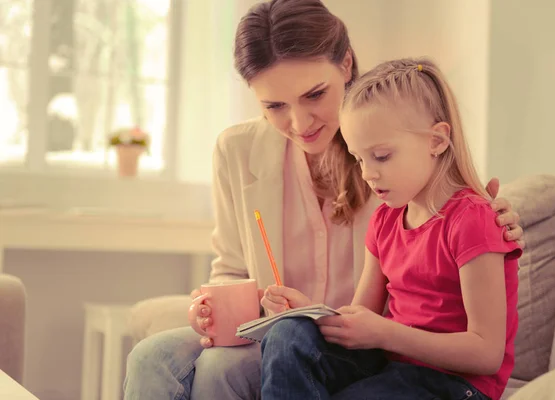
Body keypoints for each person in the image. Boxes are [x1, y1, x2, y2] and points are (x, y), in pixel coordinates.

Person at [123, 1, 523, 399]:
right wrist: (216, 309)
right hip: (292, 330)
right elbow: (232, 269)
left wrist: (500, 219)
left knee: (219, 368)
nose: (299, 124)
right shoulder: (237, 151)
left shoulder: (394, 140)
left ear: (346, 65)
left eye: (314, 95)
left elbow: (455, 203)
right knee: (149, 356)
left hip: (365, 345)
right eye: (274, 106)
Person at [259, 58, 523, 400]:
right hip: (392, 367)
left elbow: (486, 354)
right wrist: (309, 311)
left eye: (381, 156)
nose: (367, 173)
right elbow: (360, 319)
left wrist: (386, 334)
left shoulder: (471, 220)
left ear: (437, 141)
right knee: (287, 335)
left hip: (454, 385)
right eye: (358, 158)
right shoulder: (384, 221)